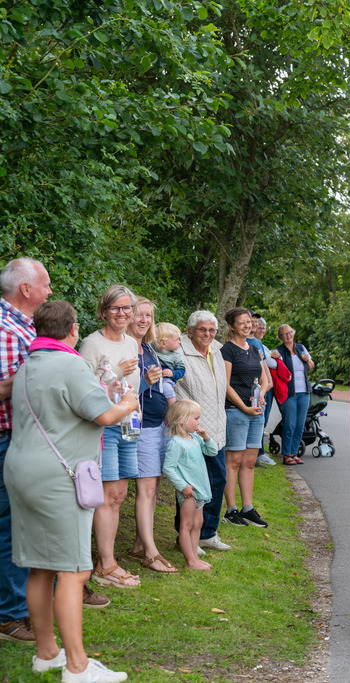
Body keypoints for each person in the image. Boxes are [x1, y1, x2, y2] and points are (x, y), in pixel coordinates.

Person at [7, 300, 136, 682]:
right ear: (73, 330)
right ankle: (77, 667)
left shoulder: (27, 365)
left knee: (41, 566)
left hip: (21, 470)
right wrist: (127, 403)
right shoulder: (71, 364)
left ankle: (47, 654)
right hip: (58, 477)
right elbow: (104, 414)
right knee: (75, 571)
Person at [0, 258, 52, 643]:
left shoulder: (25, 324)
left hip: (24, 439)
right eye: (45, 284)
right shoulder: (4, 328)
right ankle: (10, 615)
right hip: (5, 438)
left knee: (21, 524)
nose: (49, 291)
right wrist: (39, 373)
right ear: (25, 289)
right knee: (8, 526)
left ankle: (25, 603)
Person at [78, 284, 143, 589]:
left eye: (126, 308)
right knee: (105, 496)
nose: (122, 313)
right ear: (103, 311)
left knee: (118, 495)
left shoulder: (131, 342)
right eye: (115, 308)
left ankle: (109, 561)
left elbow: (132, 385)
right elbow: (80, 386)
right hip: (104, 426)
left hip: (129, 424)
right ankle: (104, 566)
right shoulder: (91, 343)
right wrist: (114, 371)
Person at [125, 298, 177, 574]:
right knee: (145, 489)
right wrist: (146, 382)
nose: (144, 320)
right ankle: (150, 552)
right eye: (139, 314)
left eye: (149, 315)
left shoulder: (148, 348)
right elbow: (119, 391)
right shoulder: (125, 348)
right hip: (139, 427)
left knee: (153, 487)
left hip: (158, 426)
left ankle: (139, 544)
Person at [176, 310, 231, 554]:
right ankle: (185, 537)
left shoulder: (216, 350)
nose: (207, 334)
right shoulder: (179, 351)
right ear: (190, 331)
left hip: (215, 429)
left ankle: (207, 534)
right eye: (202, 329)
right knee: (191, 486)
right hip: (190, 430)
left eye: (211, 330)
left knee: (218, 480)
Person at [220, 308, 271, 528]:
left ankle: (247, 509)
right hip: (235, 411)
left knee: (249, 462)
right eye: (241, 323)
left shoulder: (254, 349)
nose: (247, 326)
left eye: (248, 322)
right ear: (232, 326)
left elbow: (265, 379)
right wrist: (243, 407)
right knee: (233, 462)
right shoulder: (227, 350)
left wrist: (261, 397)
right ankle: (231, 510)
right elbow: (225, 385)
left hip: (255, 412)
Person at [162, 400, 217, 571]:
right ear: (182, 420)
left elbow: (212, 451)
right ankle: (190, 561)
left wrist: (206, 437)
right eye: (196, 418)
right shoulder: (176, 443)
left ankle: (194, 557)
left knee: (197, 524)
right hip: (188, 493)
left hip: (200, 490)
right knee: (186, 525)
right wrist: (183, 486)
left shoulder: (195, 438)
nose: (199, 422)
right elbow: (168, 468)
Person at [273, 324, 314, 467]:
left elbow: (311, 366)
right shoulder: (278, 351)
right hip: (288, 393)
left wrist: (308, 360)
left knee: (300, 425)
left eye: (289, 332)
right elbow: (273, 364)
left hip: (304, 392)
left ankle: (294, 453)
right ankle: (286, 454)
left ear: (293, 333)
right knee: (289, 424)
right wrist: (274, 357)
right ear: (280, 337)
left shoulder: (301, 348)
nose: (288, 335)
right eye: (284, 334)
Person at [248, 314, 276, 467]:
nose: (254, 324)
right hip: (251, 389)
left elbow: (263, 363)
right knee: (254, 422)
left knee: (261, 422)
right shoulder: (242, 342)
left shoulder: (257, 342)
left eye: (255, 322)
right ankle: (256, 455)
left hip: (262, 389)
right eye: (251, 321)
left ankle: (259, 454)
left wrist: (269, 382)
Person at [152, 322, 186, 405]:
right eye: (176, 340)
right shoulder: (152, 353)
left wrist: (172, 373)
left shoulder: (176, 356)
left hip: (167, 380)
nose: (179, 342)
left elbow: (182, 371)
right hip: (153, 380)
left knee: (166, 387)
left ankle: (172, 406)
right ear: (163, 343)